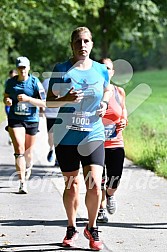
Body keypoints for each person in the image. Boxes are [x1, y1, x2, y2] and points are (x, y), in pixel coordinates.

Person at [46, 27, 113, 250]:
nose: (82, 45)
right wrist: (64, 98)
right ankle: (71, 227)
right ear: (72, 45)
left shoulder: (101, 69)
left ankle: (91, 228)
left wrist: (104, 103)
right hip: (66, 136)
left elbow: (107, 90)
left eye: (86, 41)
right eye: (78, 42)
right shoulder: (62, 69)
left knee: (94, 184)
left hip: (93, 133)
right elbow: (49, 103)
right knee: (72, 186)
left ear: (91, 44)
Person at [3, 56, 46, 194]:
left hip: (31, 120)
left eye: (24, 67)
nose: (22, 70)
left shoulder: (35, 82)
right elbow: (6, 96)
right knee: (19, 149)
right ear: (17, 68)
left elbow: (44, 102)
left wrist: (28, 99)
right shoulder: (11, 82)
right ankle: (22, 182)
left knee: (28, 152)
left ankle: (28, 165)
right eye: (20, 67)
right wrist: (7, 100)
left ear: (29, 68)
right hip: (15, 119)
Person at [97, 58, 128, 223]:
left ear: (112, 72)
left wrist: (124, 120)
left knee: (114, 179)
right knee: (98, 179)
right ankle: (100, 209)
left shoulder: (119, 91)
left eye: (108, 68)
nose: (105, 71)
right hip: (95, 144)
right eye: (102, 68)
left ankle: (110, 195)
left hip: (116, 142)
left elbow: (123, 111)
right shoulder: (93, 91)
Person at [42, 78, 59, 165]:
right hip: (50, 113)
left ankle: (58, 158)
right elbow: (42, 96)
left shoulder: (68, 81)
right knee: (51, 137)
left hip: (62, 113)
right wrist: (41, 108)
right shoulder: (46, 82)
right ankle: (51, 149)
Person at [4, 69, 18, 144]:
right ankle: (11, 137)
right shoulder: (8, 82)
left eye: (14, 76)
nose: (12, 78)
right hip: (9, 105)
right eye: (11, 76)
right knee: (11, 121)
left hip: (17, 105)